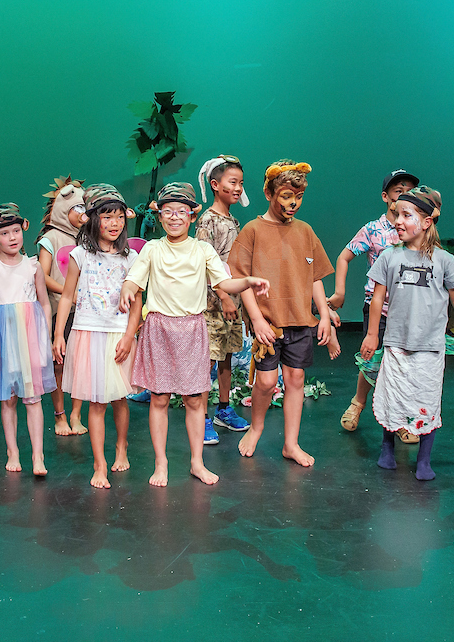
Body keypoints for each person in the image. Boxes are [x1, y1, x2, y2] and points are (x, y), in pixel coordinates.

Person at [119, 182, 269, 487]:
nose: (175, 217)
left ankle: (197, 462)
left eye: (182, 211)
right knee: (159, 399)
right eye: (168, 212)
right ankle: (161, 463)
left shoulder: (202, 249)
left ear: (192, 215)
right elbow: (133, 281)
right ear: (159, 216)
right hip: (160, 329)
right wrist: (127, 290)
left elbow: (224, 284)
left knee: (195, 401)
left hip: (192, 329)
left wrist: (249, 280)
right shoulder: (152, 248)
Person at [358, 187, 454, 478]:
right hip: (396, 342)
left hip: (430, 346)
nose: (398, 221)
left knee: (427, 398)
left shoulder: (444, 260)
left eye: (406, 215)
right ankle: (387, 447)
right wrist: (372, 334)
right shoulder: (389, 257)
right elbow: (377, 298)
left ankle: (424, 459)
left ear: (426, 222)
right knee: (392, 397)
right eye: (396, 215)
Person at [229, 159, 334, 467]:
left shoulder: (305, 231)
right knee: (265, 382)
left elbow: (315, 276)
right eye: (287, 196)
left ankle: (291, 443)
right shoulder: (253, 231)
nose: (293, 203)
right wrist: (257, 318)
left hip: (300, 319)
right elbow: (241, 280)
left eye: (298, 197)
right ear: (268, 193)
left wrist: (324, 314)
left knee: (296, 378)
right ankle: (257, 427)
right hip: (269, 324)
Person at [52, 184, 141, 488]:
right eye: (107, 216)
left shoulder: (130, 259)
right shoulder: (81, 255)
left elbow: (137, 303)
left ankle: (121, 446)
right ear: (93, 219)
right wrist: (58, 334)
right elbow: (66, 297)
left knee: (118, 398)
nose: (114, 223)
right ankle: (99, 464)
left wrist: (130, 337)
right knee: (96, 403)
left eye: (119, 217)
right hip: (88, 331)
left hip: (117, 334)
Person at [327, 168, 419, 437]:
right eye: (398, 191)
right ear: (385, 197)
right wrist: (340, 292)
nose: (404, 196)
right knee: (373, 358)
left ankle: (402, 420)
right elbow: (344, 257)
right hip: (379, 306)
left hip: (409, 310)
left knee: (405, 363)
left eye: (410, 192)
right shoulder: (374, 229)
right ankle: (358, 402)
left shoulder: (417, 229)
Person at [0, 203, 56, 476]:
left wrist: (47, 338)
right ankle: (12, 451)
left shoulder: (33, 266)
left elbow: (44, 303)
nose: (12, 237)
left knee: (33, 399)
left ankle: (38, 456)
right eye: (5, 233)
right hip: (5, 340)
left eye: (16, 231)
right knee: (8, 399)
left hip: (31, 338)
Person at [195, 154, 252, 443]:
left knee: (227, 356)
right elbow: (206, 263)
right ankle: (202, 418)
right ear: (215, 185)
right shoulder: (207, 221)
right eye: (233, 182)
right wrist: (223, 297)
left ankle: (223, 409)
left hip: (233, 305)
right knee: (209, 359)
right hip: (213, 306)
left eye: (241, 183)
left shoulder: (233, 219)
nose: (239, 188)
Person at [36, 176, 87, 436]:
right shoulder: (51, 238)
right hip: (60, 311)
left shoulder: (87, 238)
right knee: (59, 363)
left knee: (80, 364)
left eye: (83, 208)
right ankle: (60, 415)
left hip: (85, 312)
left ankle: (77, 414)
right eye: (77, 209)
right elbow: (42, 276)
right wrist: (69, 293)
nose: (82, 214)